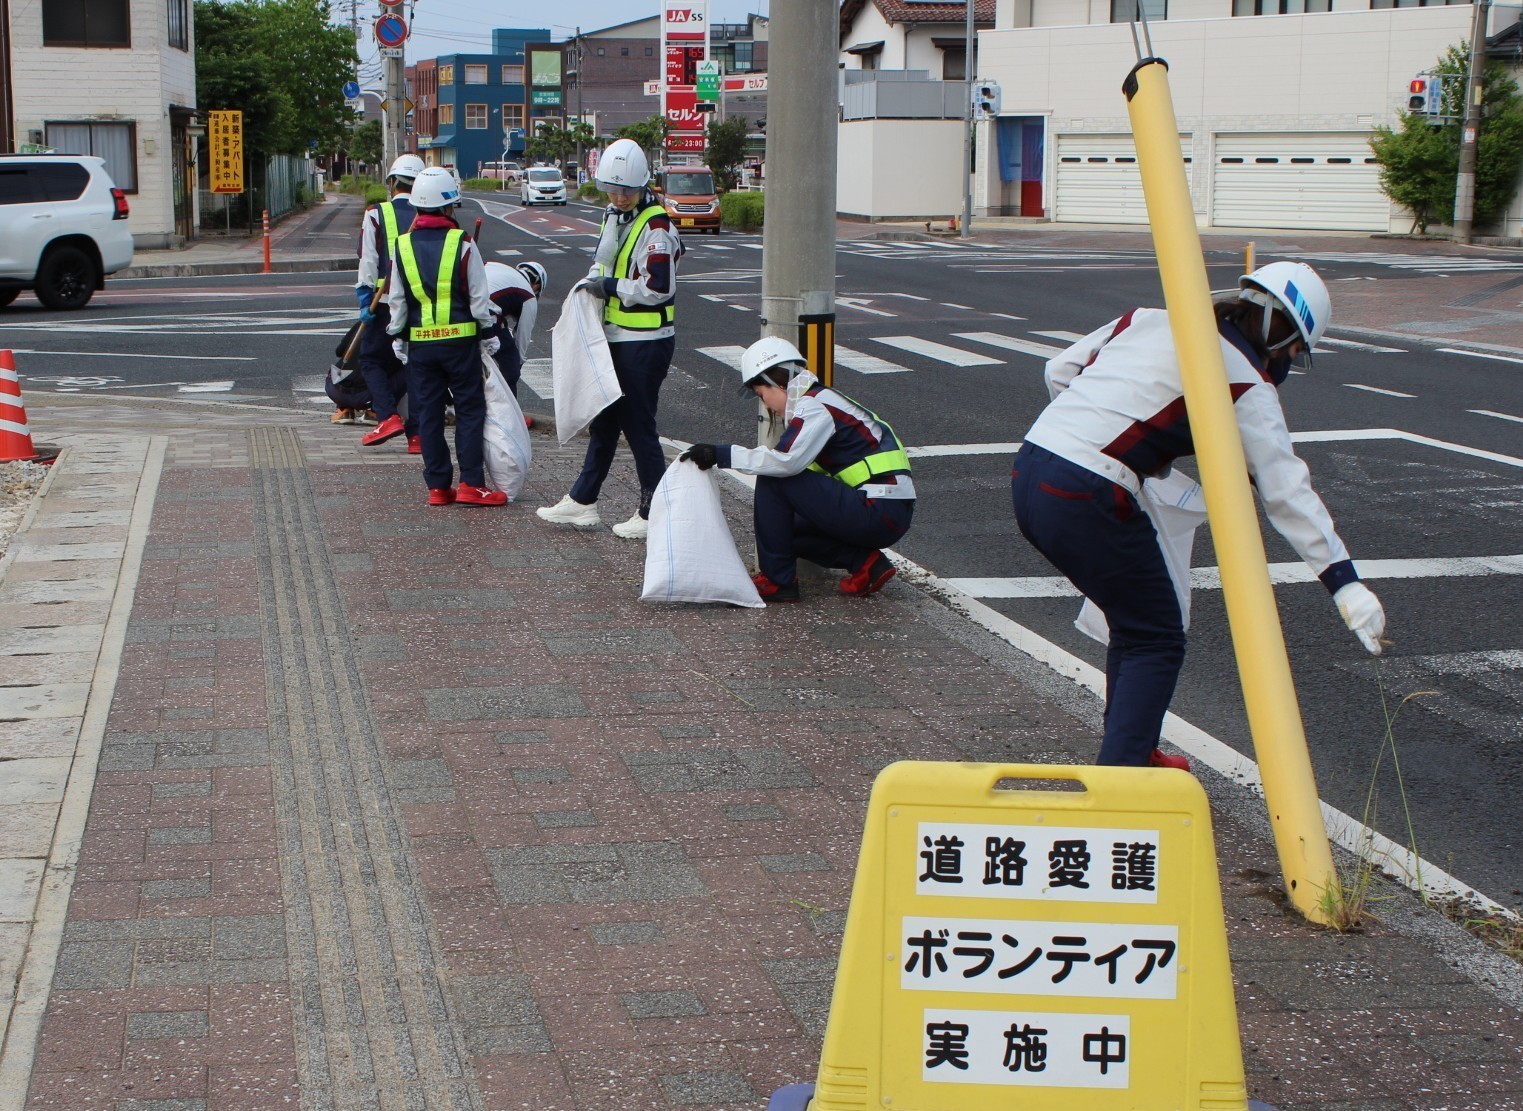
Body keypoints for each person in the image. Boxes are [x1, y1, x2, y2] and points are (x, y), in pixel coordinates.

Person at [1010, 261, 1387, 770]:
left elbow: (1059, 370)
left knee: (1136, 620)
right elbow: (1286, 490)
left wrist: (1106, 440)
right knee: (1156, 635)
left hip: (1032, 464)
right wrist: (1345, 585)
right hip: (1087, 493)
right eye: (1295, 353)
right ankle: (1123, 779)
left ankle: (1133, 751)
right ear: (1283, 337)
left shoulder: (1146, 318)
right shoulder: (1244, 384)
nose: (1289, 364)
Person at [681, 337, 915, 605]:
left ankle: (778, 582)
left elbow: (785, 462)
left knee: (774, 478)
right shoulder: (821, 400)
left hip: (878, 509)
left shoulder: (813, 405)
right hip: (884, 510)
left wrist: (720, 454)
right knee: (783, 530)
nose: (767, 405)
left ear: (775, 382)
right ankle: (866, 564)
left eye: (761, 395)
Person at [536, 138, 683, 540]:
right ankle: (583, 501)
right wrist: (594, 283)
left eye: (626, 191)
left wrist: (611, 287)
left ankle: (656, 511)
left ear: (642, 186)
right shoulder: (615, 216)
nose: (618, 197)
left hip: (645, 339)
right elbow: (604, 260)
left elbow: (658, 287)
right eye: (612, 190)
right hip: (617, 337)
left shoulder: (656, 226)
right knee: (604, 422)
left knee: (638, 427)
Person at [383, 167, 503, 507]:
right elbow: (480, 300)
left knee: (429, 415)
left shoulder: (403, 246)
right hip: (461, 344)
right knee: (469, 411)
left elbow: (397, 299)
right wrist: (489, 335)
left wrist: (397, 336)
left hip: (420, 346)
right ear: (450, 207)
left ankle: (438, 487)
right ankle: (471, 484)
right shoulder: (462, 244)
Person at [357, 153, 426, 453]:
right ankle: (417, 435)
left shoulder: (376, 213)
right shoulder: (433, 212)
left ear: (392, 182)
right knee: (415, 367)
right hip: (423, 305)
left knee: (371, 359)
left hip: (383, 301)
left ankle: (387, 416)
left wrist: (363, 297)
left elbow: (368, 260)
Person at [484, 260, 545, 401]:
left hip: (456, 310)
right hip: (484, 314)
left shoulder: (496, 266)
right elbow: (522, 337)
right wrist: (517, 364)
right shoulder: (529, 295)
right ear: (536, 286)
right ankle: (509, 417)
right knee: (510, 367)